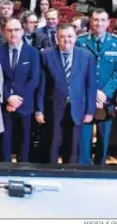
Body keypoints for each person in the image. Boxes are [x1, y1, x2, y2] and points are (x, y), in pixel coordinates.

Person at [37, 24, 97, 164]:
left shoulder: (86, 56)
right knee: (52, 141)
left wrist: (90, 111)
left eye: (70, 36)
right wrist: (39, 110)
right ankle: (51, 172)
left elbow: (91, 86)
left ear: (76, 37)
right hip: (53, 106)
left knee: (73, 144)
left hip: (78, 107)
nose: (66, 40)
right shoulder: (46, 55)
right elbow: (41, 85)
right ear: (56, 38)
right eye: (62, 36)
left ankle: (70, 173)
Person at [76, 9, 117, 165]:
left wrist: (105, 93)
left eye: (102, 20)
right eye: (96, 20)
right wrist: (91, 93)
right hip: (85, 97)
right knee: (84, 138)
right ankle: (84, 169)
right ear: (91, 21)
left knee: (104, 139)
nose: (99, 23)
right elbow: (77, 71)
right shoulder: (80, 41)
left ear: (108, 22)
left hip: (106, 99)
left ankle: (101, 168)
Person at [0, 19, 40, 163]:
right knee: (4, 139)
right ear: (4, 32)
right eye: (9, 30)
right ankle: (3, 169)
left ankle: (23, 169)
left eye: (16, 30)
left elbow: (34, 80)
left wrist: (17, 99)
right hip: (4, 102)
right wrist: (8, 97)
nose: (13, 33)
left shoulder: (32, 52)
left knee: (25, 138)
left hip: (24, 103)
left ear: (22, 31)